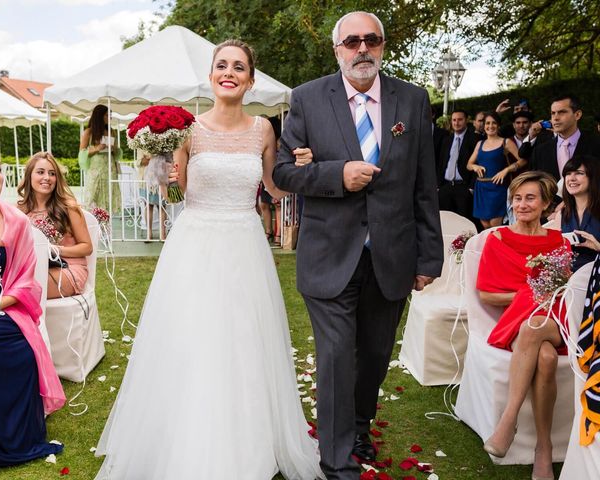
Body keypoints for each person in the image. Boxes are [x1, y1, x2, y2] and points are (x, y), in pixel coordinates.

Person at [94, 40, 323, 480]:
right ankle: (186, 433)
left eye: (239, 67)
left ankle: (247, 435)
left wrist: (303, 167)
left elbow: (275, 190)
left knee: (244, 338)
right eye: (222, 66)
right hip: (196, 243)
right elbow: (175, 194)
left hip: (244, 243)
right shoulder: (189, 131)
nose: (230, 72)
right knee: (193, 337)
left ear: (250, 79)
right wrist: (165, 172)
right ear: (211, 75)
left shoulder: (263, 130)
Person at [273, 11, 443, 480]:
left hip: (392, 256)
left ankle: (359, 425)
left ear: (383, 45)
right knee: (333, 359)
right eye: (352, 41)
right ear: (338, 50)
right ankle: (337, 462)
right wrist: (335, 174)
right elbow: (284, 172)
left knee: (373, 355)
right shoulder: (307, 98)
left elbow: (424, 184)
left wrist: (429, 257)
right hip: (329, 256)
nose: (362, 48)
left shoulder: (412, 99)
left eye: (371, 40)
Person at [0, 146, 65, 469]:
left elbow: (26, 282)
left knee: (15, 347)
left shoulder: (15, 221)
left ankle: (15, 438)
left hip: (1, 304)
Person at [477, 171, 571, 480]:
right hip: (520, 321)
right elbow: (486, 293)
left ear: (545, 204)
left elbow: (563, 292)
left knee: (535, 327)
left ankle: (508, 419)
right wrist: (525, 296)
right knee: (543, 357)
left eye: (530, 198)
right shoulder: (497, 239)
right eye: (517, 198)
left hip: (554, 320)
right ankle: (543, 449)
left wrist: (536, 295)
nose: (522, 204)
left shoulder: (558, 242)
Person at [17, 152, 92, 298]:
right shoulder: (20, 211)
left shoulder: (68, 208)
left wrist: (53, 250)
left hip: (68, 268)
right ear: (29, 176)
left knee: (27, 289)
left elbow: (87, 247)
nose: (47, 177)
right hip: (33, 269)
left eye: (52, 173)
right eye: (40, 172)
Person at [467, 111, 525, 229]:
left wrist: (506, 170)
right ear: (484, 126)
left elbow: (523, 160)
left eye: (494, 123)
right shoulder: (480, 144)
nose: (490, 126)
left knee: (495, 225)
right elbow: (468, 164)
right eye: (487, 123)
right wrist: (475, 166)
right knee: (484, 225)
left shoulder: (506, 142)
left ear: (498, 125)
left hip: (498, 188)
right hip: (481, 188)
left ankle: (497, 247)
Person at [522, 94, 600, 181]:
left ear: (577, 115)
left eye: (562, 112)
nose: (555, 118)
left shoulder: (596, 145)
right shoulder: (539, 152)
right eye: (553, 113)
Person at [553, 155, 600, 271]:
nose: (571, 178)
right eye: (568, 174)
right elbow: (555, 252)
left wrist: (598, 247)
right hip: (569, 279)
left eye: (579, 173)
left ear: (592, 177)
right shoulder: (562, 214)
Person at [437, 109, 479, 221]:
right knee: (445, 221)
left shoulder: (474, 139)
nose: (456, 123)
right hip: (445, 187)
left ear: (466, 120)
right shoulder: (446, 140)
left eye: (460, 119)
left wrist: (471, 188)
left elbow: (478, 163)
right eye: (454, 120)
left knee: (463, 222)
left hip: (463, 188)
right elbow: (441, 163)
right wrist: (438, 186)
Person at [79, 104, 121, 212]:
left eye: (110, 115)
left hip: (110, 167)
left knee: (109, 193)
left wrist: (114, 148)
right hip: (96, 168)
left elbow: (117, 153)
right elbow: (82, 153)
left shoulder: (111, 131)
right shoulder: (89, 132)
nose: (110, 118)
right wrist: (97, 148)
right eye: (107, 115)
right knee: (94, 195)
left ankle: (107, 222)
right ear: (100, 116)